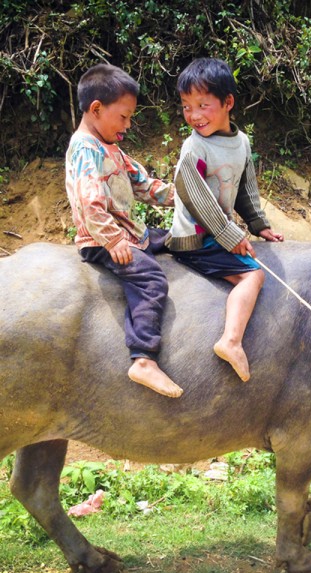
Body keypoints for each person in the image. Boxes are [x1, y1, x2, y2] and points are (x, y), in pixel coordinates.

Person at [66, 63, 183, 398]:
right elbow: (90, 204)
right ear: (96, 109)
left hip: (131, 231)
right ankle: (143, 357)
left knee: (176, 239)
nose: (128, 125)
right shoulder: (85, 149)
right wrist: (113, 239)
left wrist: (183, 198)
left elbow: (144, 185)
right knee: (151, 279)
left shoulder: (111, 146)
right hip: (101, 240)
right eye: (124, 116)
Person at [166, 57, 284, 382]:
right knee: (253, 277)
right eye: (187, 106)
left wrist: (259, 225)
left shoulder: (241, 143)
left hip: (217, 233)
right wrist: (229, 234)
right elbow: (196, 197)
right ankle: (230, 341)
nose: (194, 115)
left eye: (203, 105)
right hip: (195, 237)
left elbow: (246, 188)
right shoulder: (194, 148)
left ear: (228, 102)